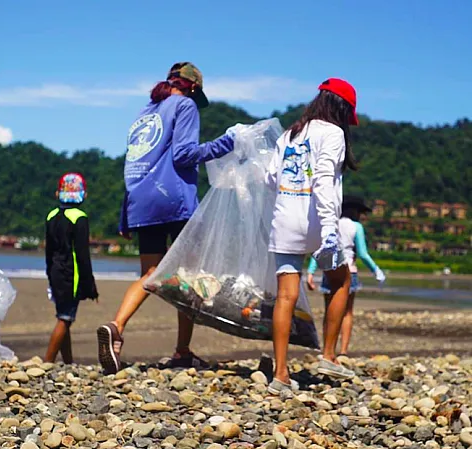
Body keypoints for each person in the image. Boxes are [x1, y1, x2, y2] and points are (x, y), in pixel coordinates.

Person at [97, 62, 236, 374]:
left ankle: (116, 327)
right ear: (194, 87)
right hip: (172, 198)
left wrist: (127, 211)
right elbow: (184, 155)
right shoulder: (185, 105)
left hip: (141, 200)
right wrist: (227, 144)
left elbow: (136, 163)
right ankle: (182, 350)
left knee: (149, 273)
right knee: (188, 274)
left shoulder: (144, 114)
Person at [265, 78, 360, 394]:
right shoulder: (333, 133)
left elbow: (269, 177)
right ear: (342, 108)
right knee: (341, 282)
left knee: (286, 296)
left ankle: (280, 374)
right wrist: (330, 230)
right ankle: (329, 355)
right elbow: (321, 180)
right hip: (319, 225)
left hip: (286, 221)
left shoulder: (290, 133)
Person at [307, 195, 386, 356]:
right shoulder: (356, 227)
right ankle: (343, 351)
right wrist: (376, 270)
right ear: (356, 212)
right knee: (347, 312)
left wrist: (310, 271)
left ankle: (327, 349)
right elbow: (363, 254)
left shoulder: (331, 224)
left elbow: (320, 249)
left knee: (329, 310)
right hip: (349, 270)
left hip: (329, 269)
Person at [45, 173, 98, 363]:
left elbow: (48, 252)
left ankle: (68, 362)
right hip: (71, 275)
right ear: (83, 194)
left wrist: (49, 276)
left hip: (55, 273)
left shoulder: (51, 215)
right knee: (65, 318)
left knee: (63, 315)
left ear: (57, 193)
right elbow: (82, 255)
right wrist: (89, 285)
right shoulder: (79, 217)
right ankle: (47, 362)